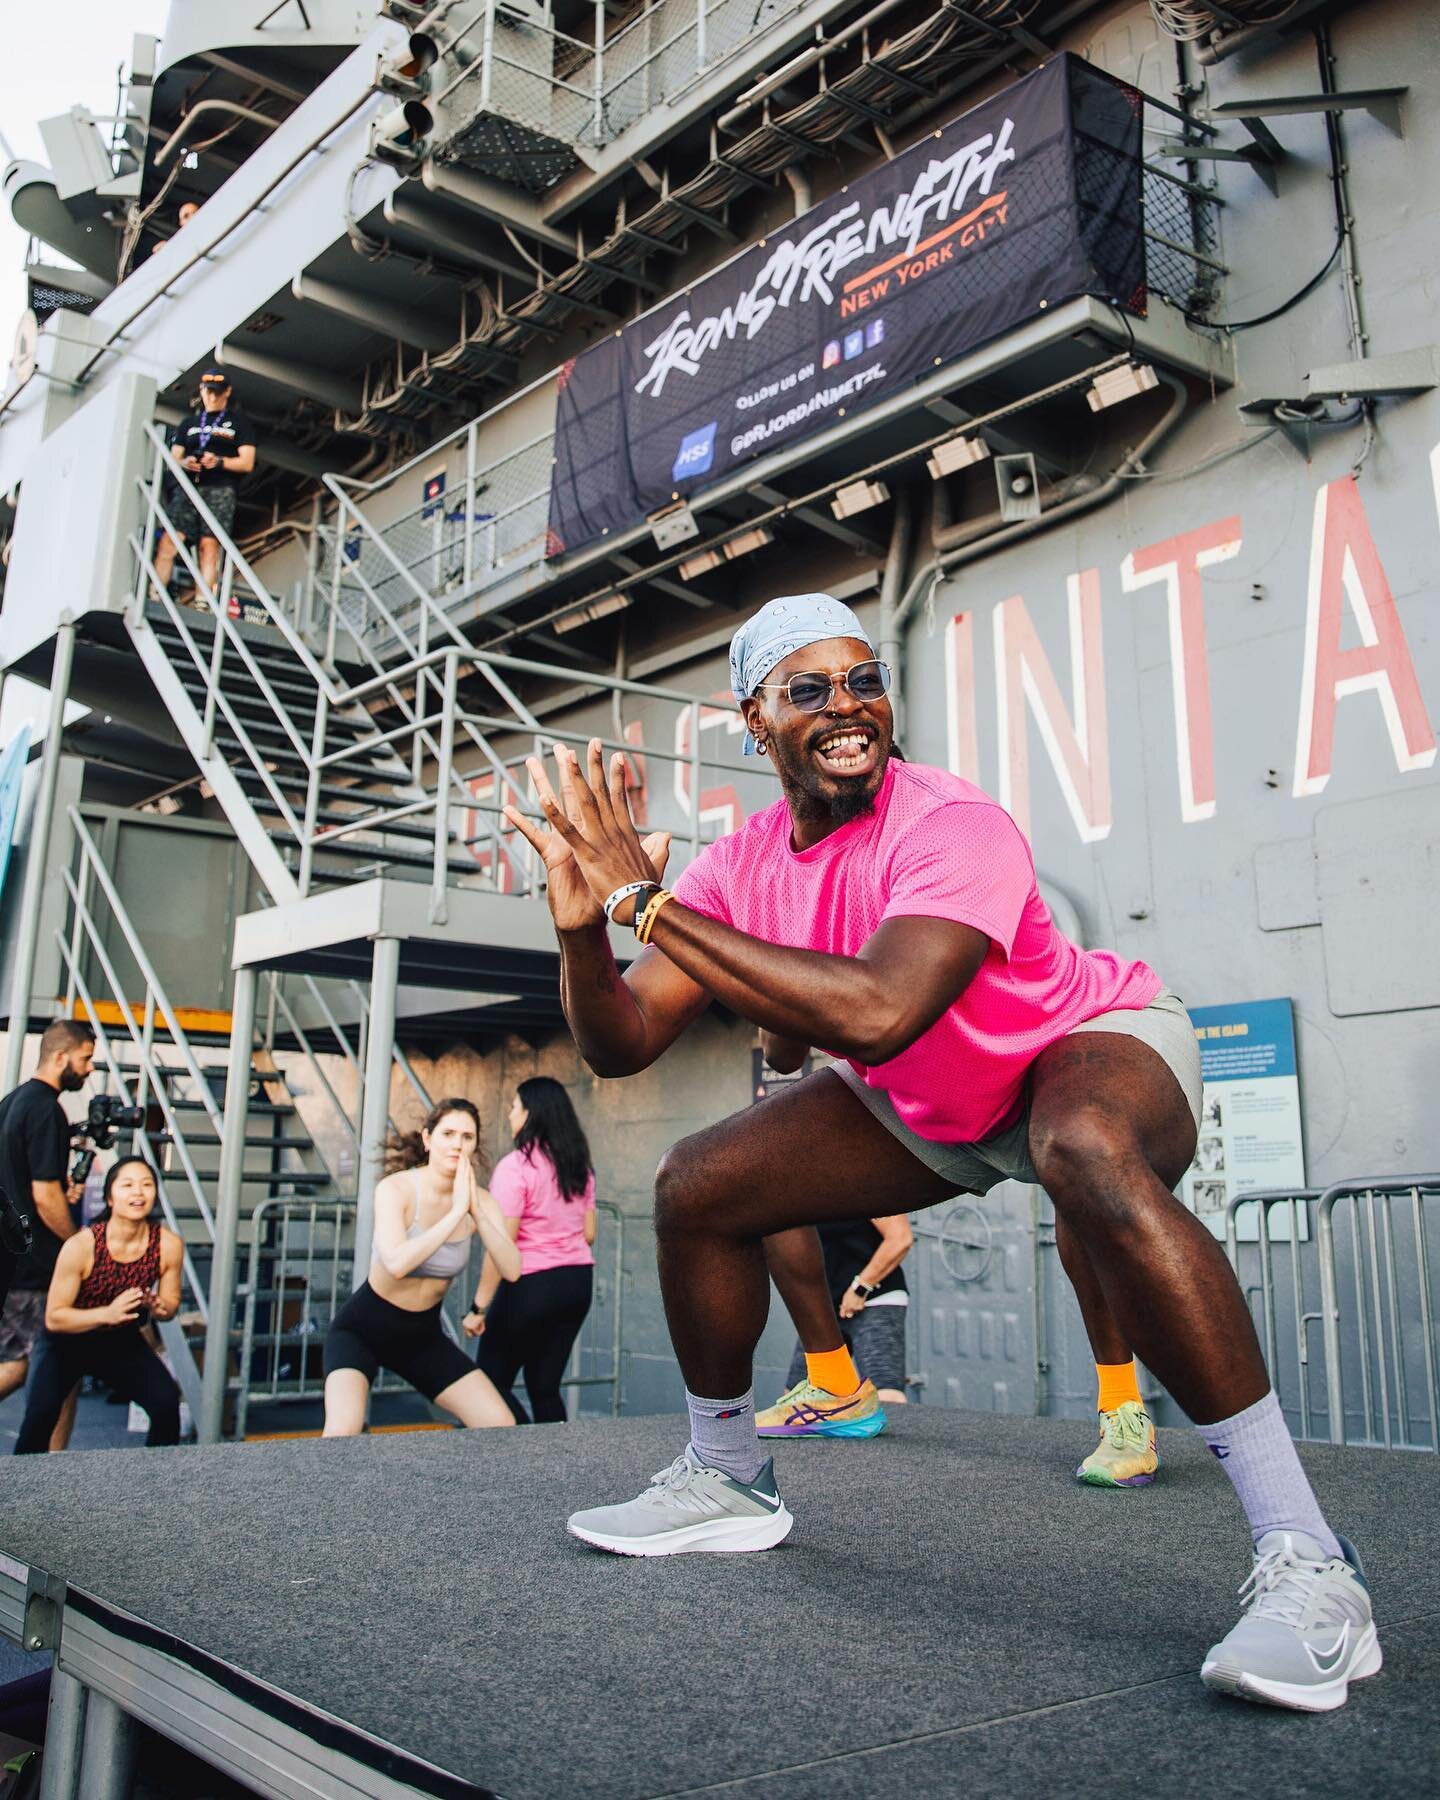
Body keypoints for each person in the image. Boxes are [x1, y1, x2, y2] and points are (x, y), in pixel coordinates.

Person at [504, 592, 1380, 1713]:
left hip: (1082, 1047)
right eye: (808, 690)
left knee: (1083, 1148)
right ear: (753, 718)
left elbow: (878, 1013)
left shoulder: (951, 820)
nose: (846, 707)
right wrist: (584, 924)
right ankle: (725, 1480)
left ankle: (1311, 1562)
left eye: (863, 680)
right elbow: (619, 1042)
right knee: (698, 1185)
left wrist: (646, 901)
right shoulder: (742, 866)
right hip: (931, 1104)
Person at [322, 1098, 521, 1434]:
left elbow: (512, 1268)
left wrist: (475, 1210)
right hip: (362, 1330)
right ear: (428, 1139)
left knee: (498, 1423)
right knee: (342, 1432)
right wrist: (457, 1213)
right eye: (448, 1133)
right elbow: (397, 1262)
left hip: (421, 1336)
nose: (457, 1143)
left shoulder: (481, 1201)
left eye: (467, 1136)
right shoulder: (396, 1188)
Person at [14, 1157, 183, 1453]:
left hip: (119, 1341)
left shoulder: (168, 1245)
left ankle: (158, 1486)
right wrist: (109, 1312)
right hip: (64, 1342)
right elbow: (55, 1318)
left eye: (146, 1185)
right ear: (109, 1196)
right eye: (127, 1185)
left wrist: (159, 1307)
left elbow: (170, 1307)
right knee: (39, 1419)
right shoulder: (82, 1245)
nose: (138, 1193)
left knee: (166, 1404)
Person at [471, 1077, 597, 1424]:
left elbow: (502, 1245)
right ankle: (550, 1463)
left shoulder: (516, 1166)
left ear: (531, 1114)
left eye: (514, 1107)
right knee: (545, 1387)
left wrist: (478, 1307)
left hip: (531, 1284)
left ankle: (520, 1444)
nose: (510, 1115)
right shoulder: (578, 1166)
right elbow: (589, 1233)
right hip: (576, 1283)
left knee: (487, 1384)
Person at [0, 1020, 95, 1452]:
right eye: (85, 1058)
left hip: (16, 1256)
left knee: (60, 1364)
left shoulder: (11, 1102)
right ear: (61, 1057)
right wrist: (80, 1243)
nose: (89, 1068)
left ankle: (55, 1466)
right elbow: (44, 1196)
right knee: (24, 1364)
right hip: (36, 1264)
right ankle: (53, 1468)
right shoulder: (46, 1109)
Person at [758, 1208, 912, 1436]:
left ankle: (898, 1461)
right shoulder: (807, 1197)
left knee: (886, 1392)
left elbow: (900, 1238)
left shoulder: (861, 1186)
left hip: (874, 1300)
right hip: (828, 1306)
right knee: (799, 1391)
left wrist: (861, 1287)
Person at [152, 370, 256, 603]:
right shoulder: (189, 423)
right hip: (189, 488)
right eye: (208, 392)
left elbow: (247, 461)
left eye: (217, 393)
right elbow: (174, 457)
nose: (212, 397)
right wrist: (186, 463)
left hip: (220, 488)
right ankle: (156, 592)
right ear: (201, 391)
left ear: (227, 392)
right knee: (169, 541)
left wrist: (219, 461)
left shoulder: (239, 423)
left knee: (209, 545)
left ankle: (203, 600)